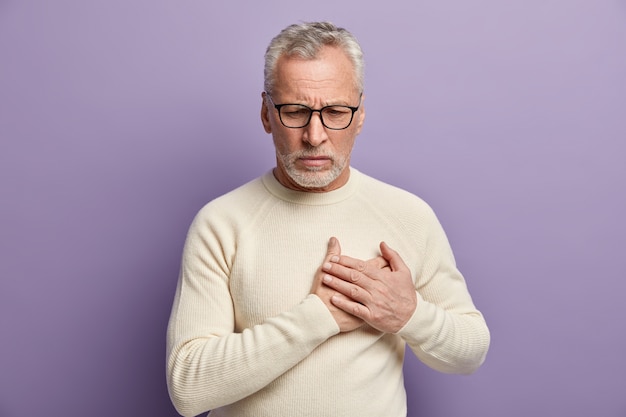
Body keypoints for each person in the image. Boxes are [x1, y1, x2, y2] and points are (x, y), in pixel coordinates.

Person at [166, 21, 490, 417]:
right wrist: (318, 316)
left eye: (336, 111)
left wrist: (408, 314)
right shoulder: (220, 223)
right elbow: (187, 388)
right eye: (295, 111)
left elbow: (470, 352)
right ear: (267, 114)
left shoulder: (410, 216)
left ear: (360, 115)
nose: (315, 135)